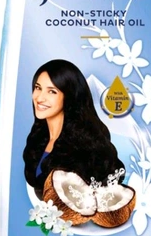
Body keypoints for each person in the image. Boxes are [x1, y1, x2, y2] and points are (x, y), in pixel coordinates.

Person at [23, 59, 125, 199]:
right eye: (38, 88)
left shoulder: (85, 147)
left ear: (69, 96)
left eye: (52, 91)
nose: (40, 98)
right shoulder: (37, 141)